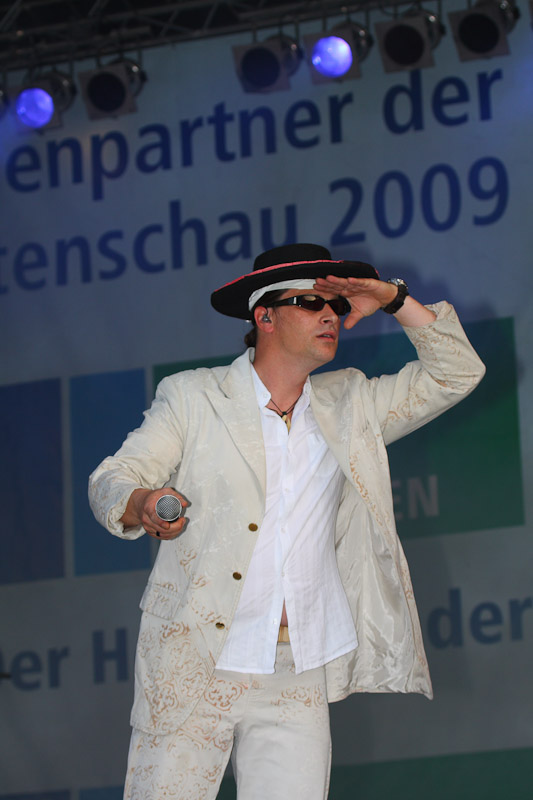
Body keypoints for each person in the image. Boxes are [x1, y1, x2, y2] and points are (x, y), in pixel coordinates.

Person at [89, 243, 485, 800]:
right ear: (265, 317)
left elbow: (458, 373)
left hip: (295, 670)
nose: (330, 316)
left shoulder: (351, 404)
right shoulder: (194, 396)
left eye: (336, 306)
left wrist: (392, 298)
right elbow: (113, 476)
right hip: (196, 661)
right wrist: (144, 503)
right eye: (310, 302)